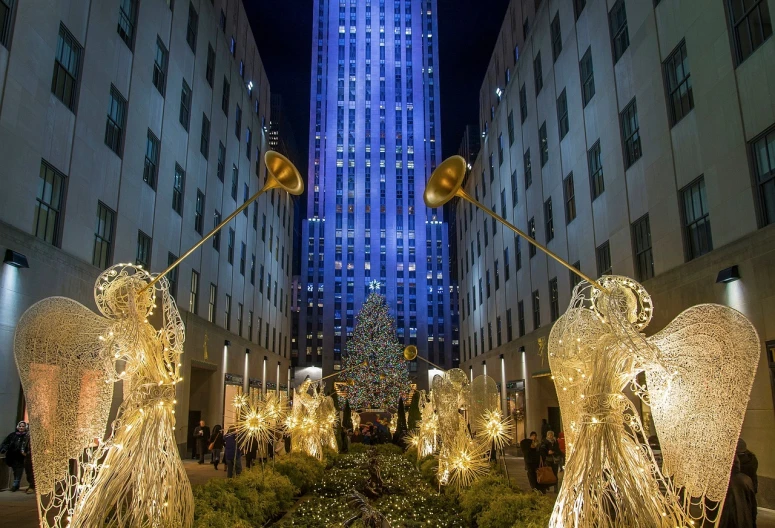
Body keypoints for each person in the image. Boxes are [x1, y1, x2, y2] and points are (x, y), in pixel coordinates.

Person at [719, 455, 757, 528]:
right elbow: (752, 503)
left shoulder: (723, 481)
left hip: (727, 518)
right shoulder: (746, 479)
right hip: (743, 517)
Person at [1, 421, 31, 492]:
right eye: (20, 426)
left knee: (19, 470)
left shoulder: (27, 436)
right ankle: (16, 484)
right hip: (12, 456)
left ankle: (15, 484)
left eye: (23, 426)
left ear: (25, 427)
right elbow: (6, 443)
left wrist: (26, 453)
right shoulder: (12, 435)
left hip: (21, 457)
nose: (21, 428)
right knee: (15, 470)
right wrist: (4, 449)